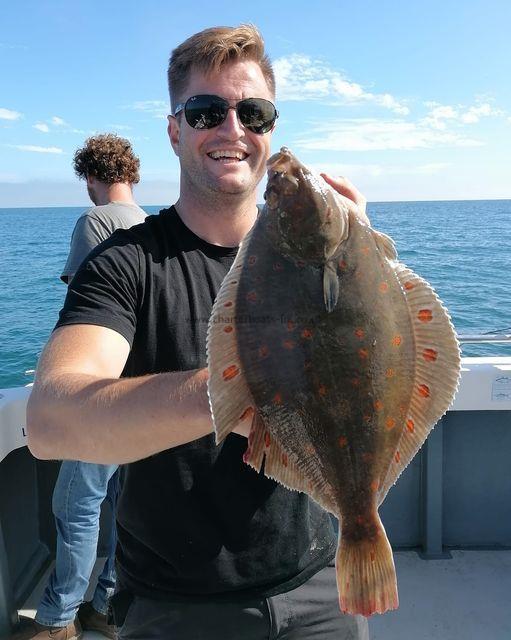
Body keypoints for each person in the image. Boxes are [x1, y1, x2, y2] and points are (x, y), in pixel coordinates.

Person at [26, 25, 370, 639]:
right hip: (175, 606)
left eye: (254, 113)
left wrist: (358, 262)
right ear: (174, 129)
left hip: (322, 585)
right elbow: (52, 422)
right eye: (207, 111)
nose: (233, 130)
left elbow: (376, 369)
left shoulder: (322, 254)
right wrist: (233, 387)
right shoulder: (126, 264)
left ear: (270, 129)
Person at [14, 134, 146, 640]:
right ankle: (109, 608)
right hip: (141, 393)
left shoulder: (95, 222)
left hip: (101, 398)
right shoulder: (150, 224)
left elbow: (85, 310)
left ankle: (57, 619)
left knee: (74, 505)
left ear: (91, 176)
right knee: (125, 509)